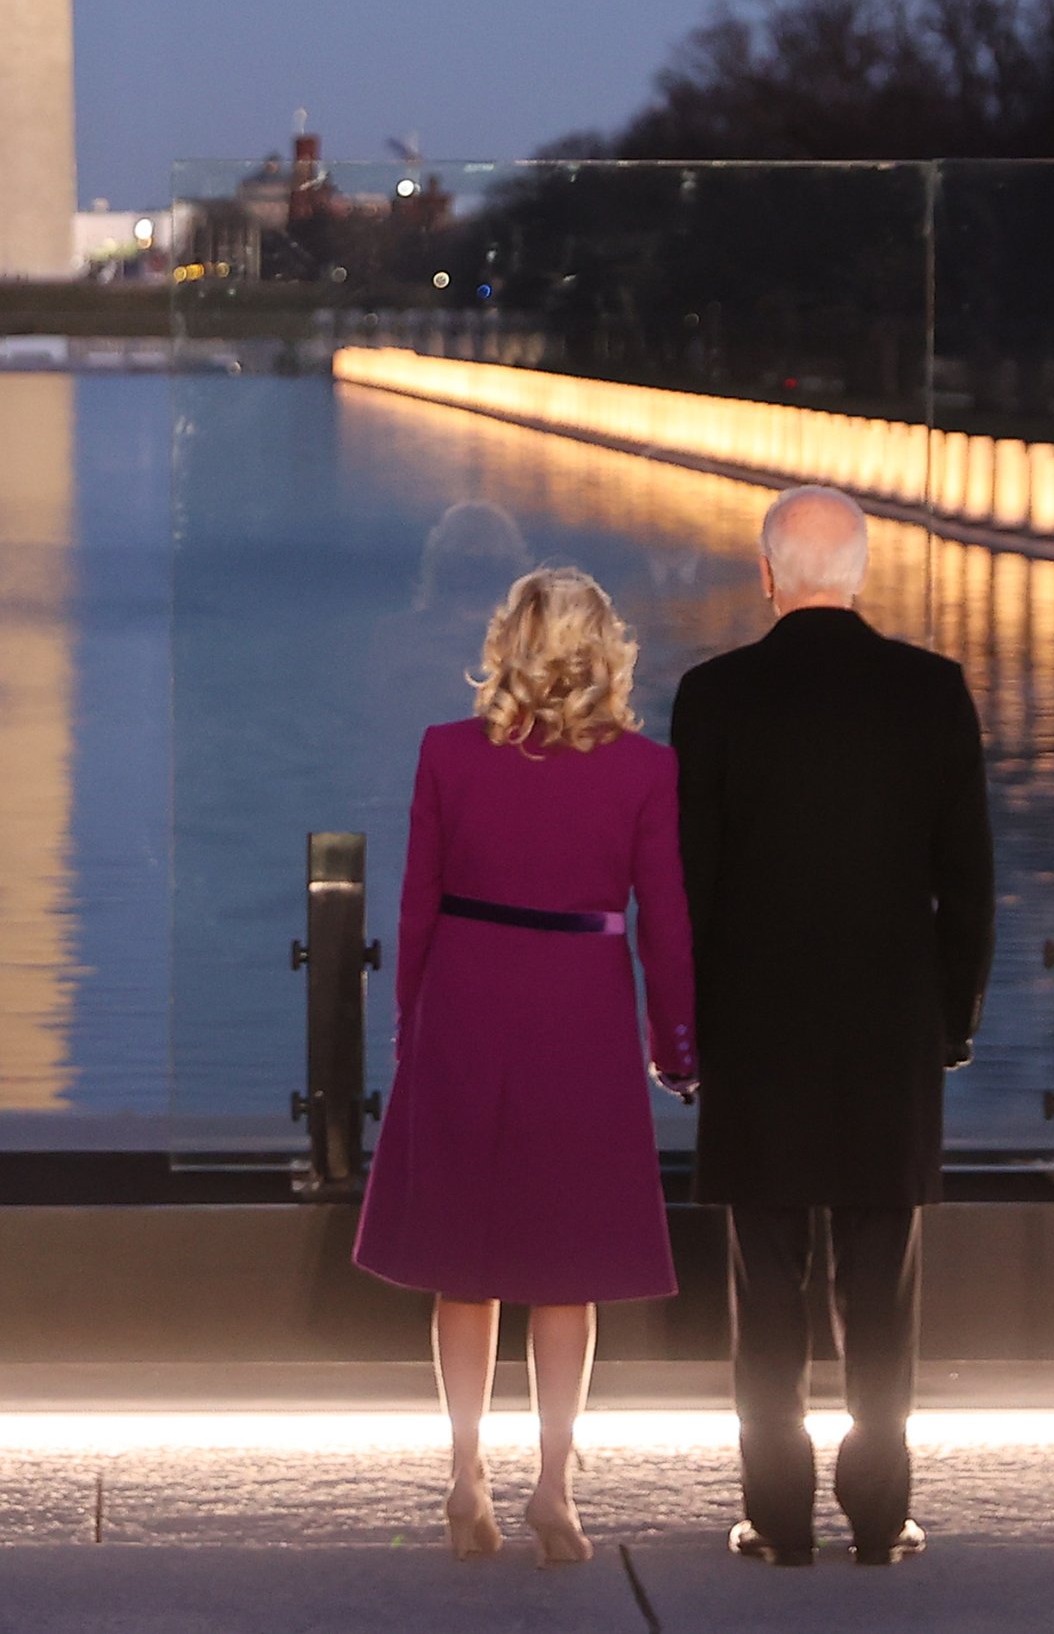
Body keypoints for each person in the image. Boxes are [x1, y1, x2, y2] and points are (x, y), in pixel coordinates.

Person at [668, 485, 994, 1568]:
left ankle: (777, 1517)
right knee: (880, 1288)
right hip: (885, 1033)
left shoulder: (712, 697)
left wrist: (683, 1027)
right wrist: (950, 1020)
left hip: (754, 1036)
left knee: (764, 1291)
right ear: (861, 574)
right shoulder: (932, 692)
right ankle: (877, 1513)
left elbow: (689, 888)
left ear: (766, 575)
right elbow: (969, 883)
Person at [351, 566, 696, 1568]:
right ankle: (553, 1486)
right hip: (581, 1011)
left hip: (466, 999)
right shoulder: (643, 770)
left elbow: (416, 904)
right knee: (565, 1269)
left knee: (464, 1266)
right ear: (604, 652)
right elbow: (664, 928)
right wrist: (674, 1046)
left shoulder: (447, 755)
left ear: (507, 642)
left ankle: (464, 1472)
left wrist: (412, 1024)